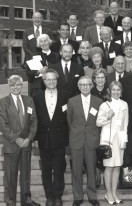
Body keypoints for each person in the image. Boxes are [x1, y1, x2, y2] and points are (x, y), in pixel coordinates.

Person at [0, 75, 39, 206]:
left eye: (18, 85)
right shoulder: (3, 102)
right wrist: (16, 139)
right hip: (11, 145)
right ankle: (10, 202)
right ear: (9, 86)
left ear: (22, 86)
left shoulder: (29, 100)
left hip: (26, 144)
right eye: (12, 85)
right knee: (10, 177)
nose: (16, 87)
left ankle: (26, 201)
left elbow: (34, 121)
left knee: (25, 175)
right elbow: (3, 124)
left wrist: (29, 138)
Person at [33, 69, 68, 206]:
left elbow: (66, 119)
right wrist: (35, 138)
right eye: (48, 79)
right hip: (43, 137)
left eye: (54, 79)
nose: (51, 81)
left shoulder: (65, 95)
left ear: (57, 80)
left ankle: (58, 195)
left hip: (59, 137)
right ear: (44, 81)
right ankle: (49, 196)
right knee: (46, 169)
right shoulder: (37, 96)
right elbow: (34, 119)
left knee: (59, 168)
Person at [67, 76, 103, 206]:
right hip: (76, 140)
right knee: (76, 170)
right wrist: (75, 134)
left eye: (87, 84)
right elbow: (69, 122)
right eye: (82, 85)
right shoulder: (71, 101)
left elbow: (101, 121)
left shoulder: (98, 101)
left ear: (91, 86)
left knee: (91, 170)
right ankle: (77, 196)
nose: (85, 87)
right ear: (78, 86)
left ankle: (92, 195)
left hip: (92, 140)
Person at [96, 81, 128, 205]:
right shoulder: (105, 105)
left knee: (117, 166)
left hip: (119, 138)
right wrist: (107, 117)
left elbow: (125, 124)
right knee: (109, 166)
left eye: (118, 90)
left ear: (121, 91)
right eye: (113, 90)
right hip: (108, 139)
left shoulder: (124, 104)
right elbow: (98, 123)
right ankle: (108, 193)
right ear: (109, 91)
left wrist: (124, 140)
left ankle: (114, 192)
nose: (116, 92)